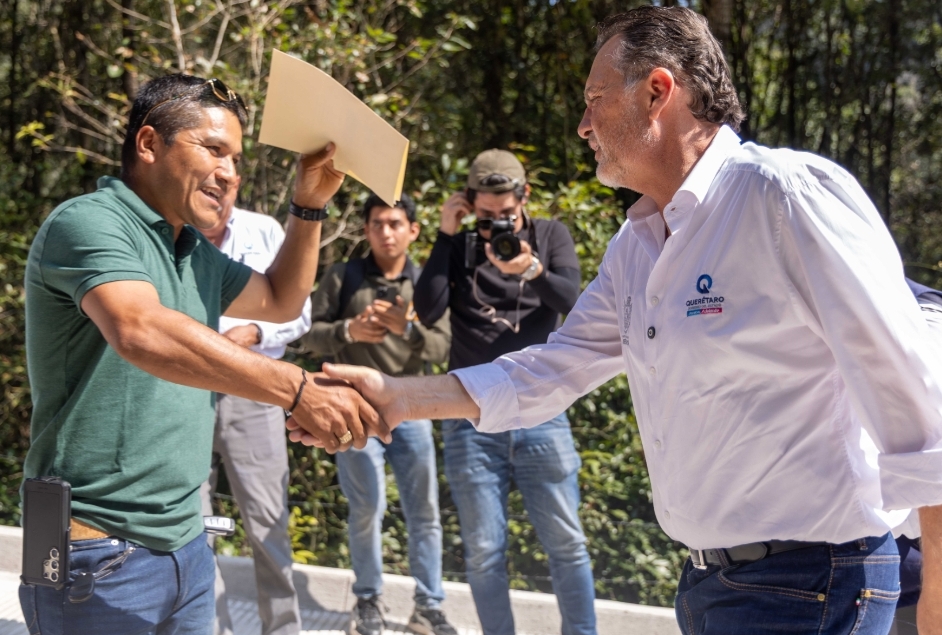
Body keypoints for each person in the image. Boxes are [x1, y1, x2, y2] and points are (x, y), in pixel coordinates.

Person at [300, 7, 942, 635]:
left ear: (658, 91)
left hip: (814, 584)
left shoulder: (783, 195)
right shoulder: (636, 246)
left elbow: (910, 388)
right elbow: (552, 368)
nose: (583, 125)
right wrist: (400, 397)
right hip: (709, 584)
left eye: (594, 100)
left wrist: (939, 578)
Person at [20, 73, 387, 635]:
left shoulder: (190, 250)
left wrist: (309, 205)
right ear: (149, 144)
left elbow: (281, 299)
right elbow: (140, 329)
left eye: (236, 159)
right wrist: (295, 389)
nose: (230, 172)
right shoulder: (88, 221)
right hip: (95, 553)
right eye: (213, 149)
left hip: (188, 548)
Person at [411, 150, 597, 635]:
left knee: (567, 543)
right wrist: (445, 234)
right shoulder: (459, 246)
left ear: (524, 197)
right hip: (470, 418)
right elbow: (427, 311)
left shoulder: (550, 236)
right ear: (469, 205)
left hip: (543, 412)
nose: (497, 226)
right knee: (484, 551)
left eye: (506, 215)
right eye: (485, 216)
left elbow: (575, 304)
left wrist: (531, 269)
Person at [299, 193, 456, 635]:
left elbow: (443, 348)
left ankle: (428, 606)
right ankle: (367, 600)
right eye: (377, 224)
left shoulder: (428, 282)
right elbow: (307, 335)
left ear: (413, 230)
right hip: (354, 410)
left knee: (424, 511)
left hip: (414, 409)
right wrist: (349, 330)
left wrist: (406, 330)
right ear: (366, 229)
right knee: (367, 507)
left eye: (395, 223)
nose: (386, 232)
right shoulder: (343, 276)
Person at [196, 179, 312, 635]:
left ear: (237, 186)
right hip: (187, 391)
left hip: (255, 391)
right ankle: (209, 627)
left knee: (268, 522)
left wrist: (255, 332)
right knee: (196, 527)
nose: (216, 191)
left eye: (225, 182)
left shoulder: (264, 231)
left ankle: (282, 628)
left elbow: (301, 310)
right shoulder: (172, 235)